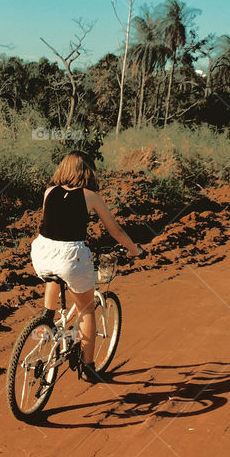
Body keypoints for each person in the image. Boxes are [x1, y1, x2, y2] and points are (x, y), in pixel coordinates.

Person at [31, 151, 143, 383]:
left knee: (54, 275)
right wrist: (134, 250)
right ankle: (89, 367)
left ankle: (47, 317)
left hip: (41, 252)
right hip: (70, 256)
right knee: (86, 310)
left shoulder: (49, 191)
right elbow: (116, 230)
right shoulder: (90, 197)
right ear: (86, 171)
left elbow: (50, 225)